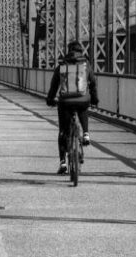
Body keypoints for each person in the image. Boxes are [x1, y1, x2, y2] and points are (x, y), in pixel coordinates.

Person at [46, 41, 98, 175]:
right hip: (82, 100)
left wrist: (50, 99)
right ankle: (86, 134)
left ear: (68, 51)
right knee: (83, 107)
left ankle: (63, 162)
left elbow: (54, 85)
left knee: (63, 131)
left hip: (65, 102)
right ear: (81, 51)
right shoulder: (86, 65)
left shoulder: (62, 65)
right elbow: (92, 83)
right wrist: (95, 99)